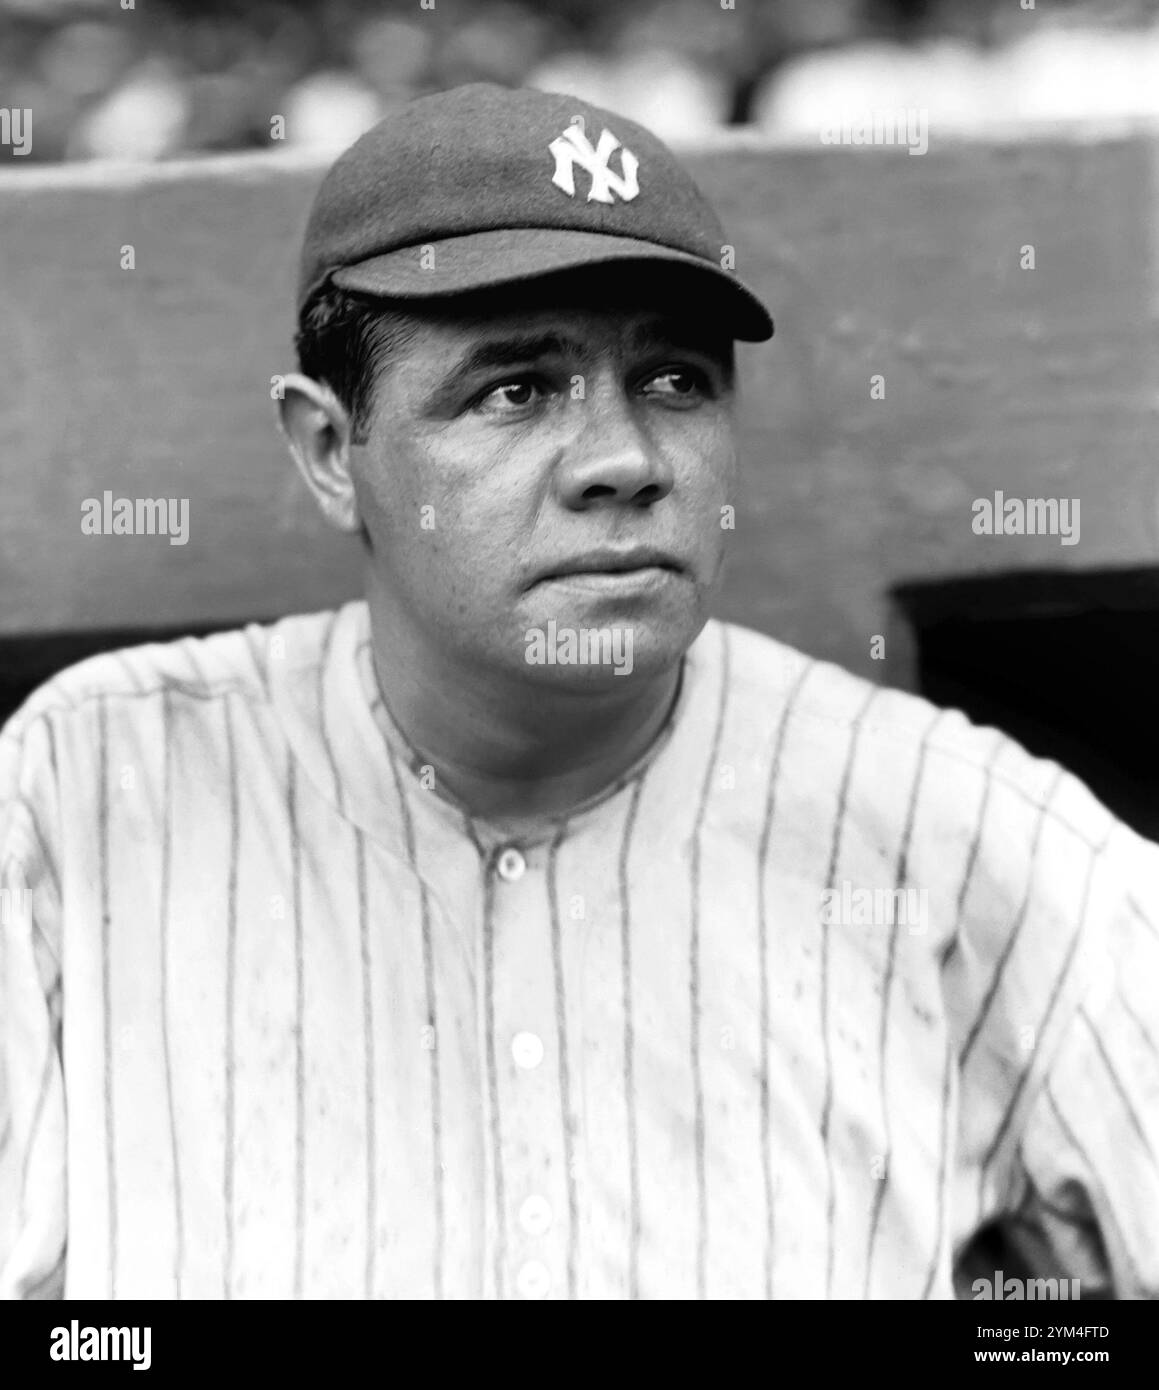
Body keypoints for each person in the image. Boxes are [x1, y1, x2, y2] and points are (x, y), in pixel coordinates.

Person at [2, 83, 1157, 1302]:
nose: (623, 461)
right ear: (331, 452)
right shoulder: (82, 798)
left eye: (672, 381)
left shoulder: (959, 833)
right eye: (514, 389)